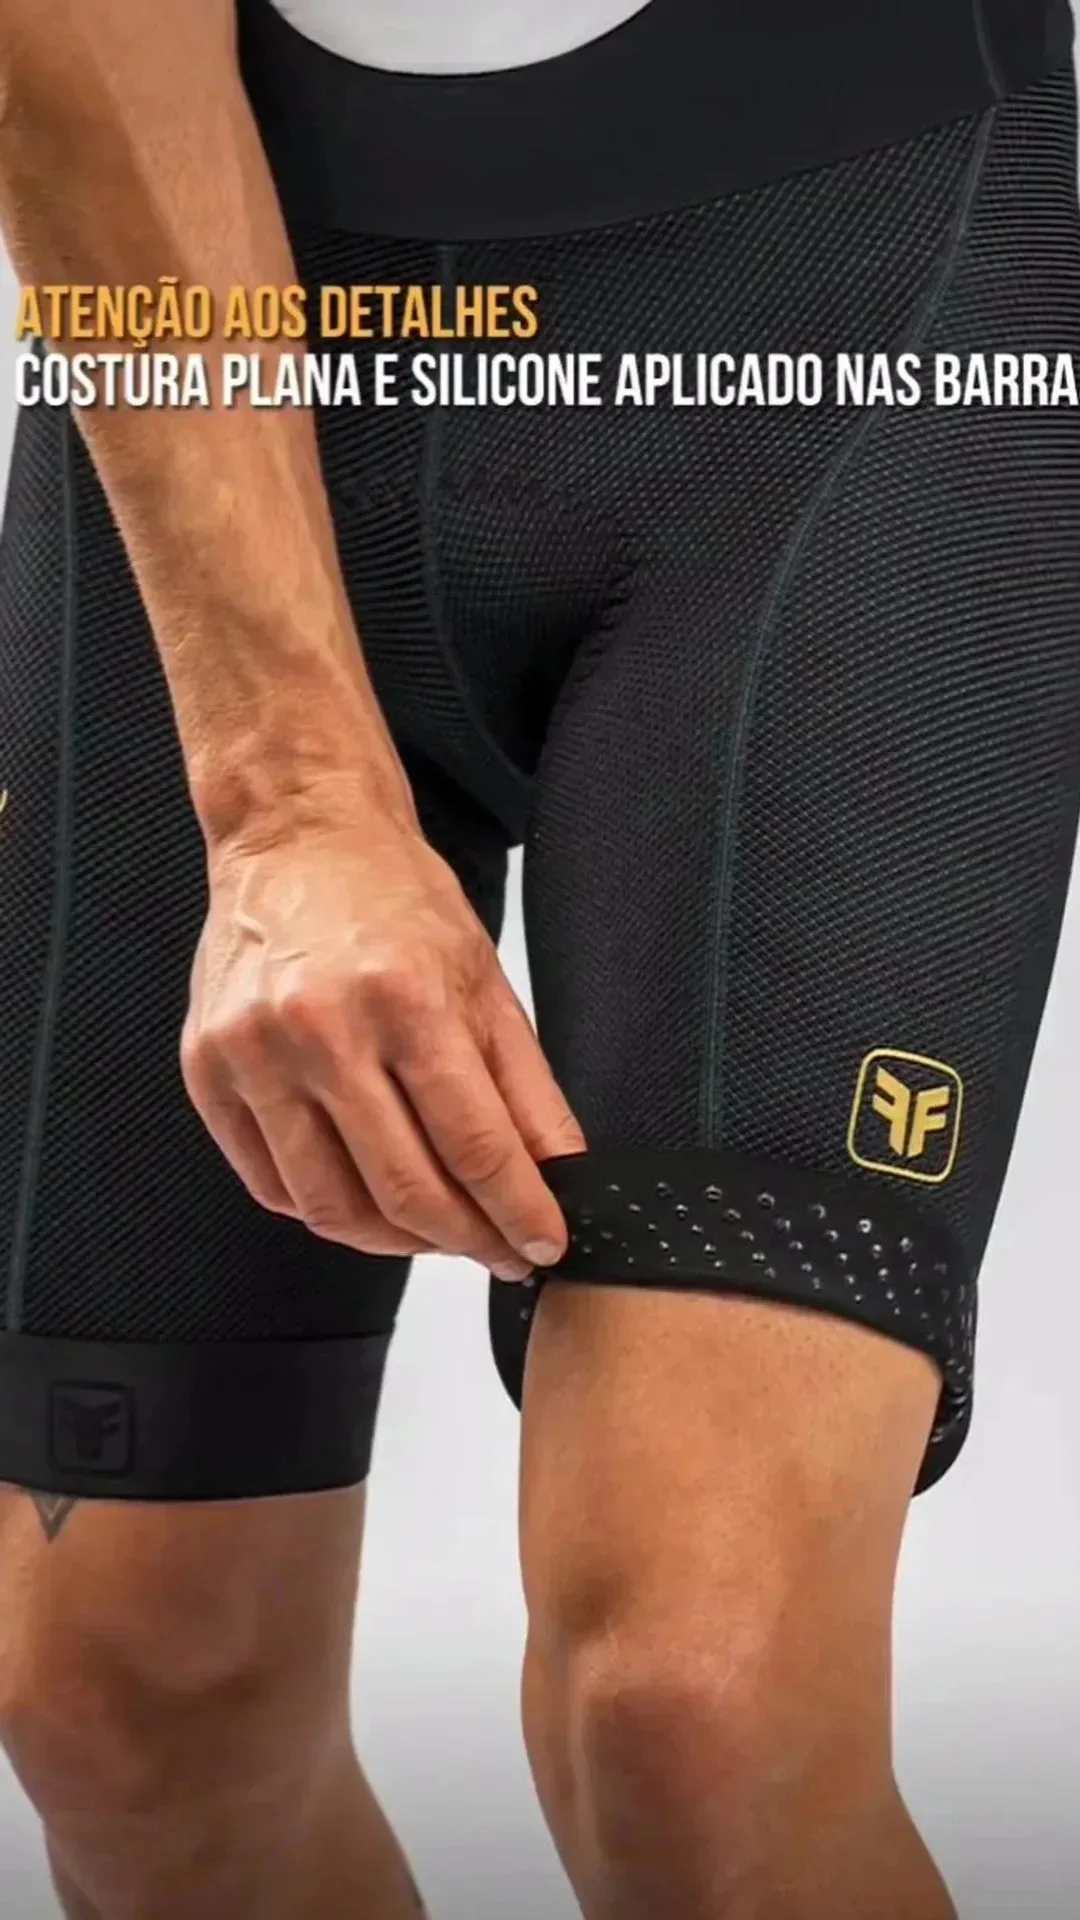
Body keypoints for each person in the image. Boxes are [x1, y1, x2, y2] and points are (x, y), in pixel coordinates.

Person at [0, 2, 1078, 1915]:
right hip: (204, 316)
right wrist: (285, 797)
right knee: (124, 1702)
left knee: (702, 1713)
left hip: (845, 316)